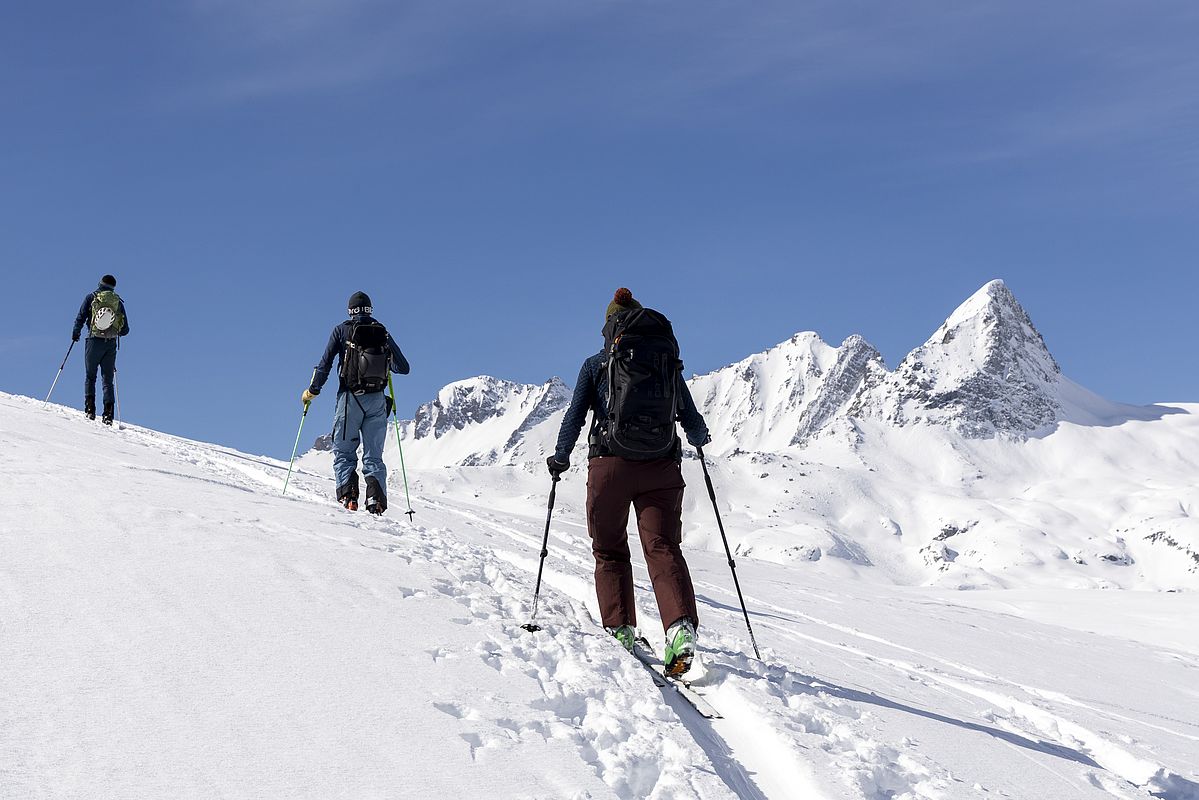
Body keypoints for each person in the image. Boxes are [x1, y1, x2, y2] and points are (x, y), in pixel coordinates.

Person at [549, 288, 711, 676]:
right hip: (661, 466)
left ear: (608, 327)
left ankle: (620, 627)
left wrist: (560, 456)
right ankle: (680, 627)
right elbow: (688, 413)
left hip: (610, 466)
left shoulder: (596, 364)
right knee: (663, 547)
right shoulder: (665, 362)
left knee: (609, 550)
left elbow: (574, 415)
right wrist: (700, 438)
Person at [303, 291, 410, 514]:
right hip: (378, 402)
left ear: (350, 310)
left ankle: (349, 497)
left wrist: (313, 391)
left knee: (344, 451)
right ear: (370, 309)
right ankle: (376, 502)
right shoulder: (382, 331)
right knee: (374, 456)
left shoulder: (341, 330)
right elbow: (403, 367)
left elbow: (325, 365)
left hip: (350, 400)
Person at [71, 274, 130, 425]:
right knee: (107, 380)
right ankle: (108, 415)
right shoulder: (118, 302)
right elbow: (125, 330)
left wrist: (75, 334)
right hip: (110, 344)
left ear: (100, 283)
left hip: (93, 341)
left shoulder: (91, 297)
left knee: (91, 376)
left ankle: (90, 410)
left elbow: (80, 317)